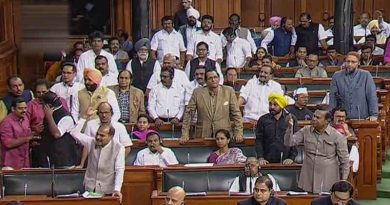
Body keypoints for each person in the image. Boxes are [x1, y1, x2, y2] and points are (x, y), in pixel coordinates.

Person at [284, 109, 350, 193]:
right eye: (314, 116)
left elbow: (345, 161)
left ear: (327, 121)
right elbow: (289, 142)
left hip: (328, 180)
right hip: (308, 179)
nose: (314, 119)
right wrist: (290, 128)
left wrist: (343, 181)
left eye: (318, 117)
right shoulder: (306, 130)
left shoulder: (337, 136)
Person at [180, 70, 243, 142]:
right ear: (206, 81)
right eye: (210, 78)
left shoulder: (228, 91)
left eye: (215, 77)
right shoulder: (197, 92)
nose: (213, 80)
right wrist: (185, 134)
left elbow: (236, 114)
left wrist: (238, 133)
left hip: (224, 134)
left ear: (219, 79)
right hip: (203, 133)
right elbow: (189, 114)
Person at [70, 121, 124, 203]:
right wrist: (84, 118)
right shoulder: (91, 142)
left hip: (107, 191)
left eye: (102, 135)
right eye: (97, 134)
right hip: (89, 189)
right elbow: (74, 133)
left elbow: (119, 170)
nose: (98, 137)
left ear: (111, 136)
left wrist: (117, 189)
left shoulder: (119, 148)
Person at [329, 52, 378, 120]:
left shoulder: (366, 75)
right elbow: (332, 97)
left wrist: (374, 114)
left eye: (353, 62)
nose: (349, 64)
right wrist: (331, 115)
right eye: (348, 61)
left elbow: (371, 96)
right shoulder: (337, 76)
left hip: (362, 117)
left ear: (358, 63)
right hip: (342, 118)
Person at [39, 91, 79, 168]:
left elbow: (57, 134)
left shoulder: (66, 117)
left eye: (43, 104)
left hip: (64, 160)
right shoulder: (51, 114)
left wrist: (49, 117)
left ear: (48, 106)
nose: (42, 107)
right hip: (51, 157)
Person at [256, 93, 297, 165]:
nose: (272, 107)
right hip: (266, 160)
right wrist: (260, 157)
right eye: (270, 104)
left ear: (281, 106)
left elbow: (295, 139)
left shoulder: (291, 118)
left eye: (275, 105)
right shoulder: (263, 119)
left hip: (286, 160)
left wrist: (291, 158)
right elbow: (259, 140)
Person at [0, 98, 40, 169]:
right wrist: (27, 138)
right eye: (20, 108)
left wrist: (32, 141)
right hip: (11, 164)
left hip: (25, 163)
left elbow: (26, 137)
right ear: (13, 109)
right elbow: (8, 143)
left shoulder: (25, 119)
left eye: (25, 108)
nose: (24, 111)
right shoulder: (6, 123)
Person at [331, 107, 359, 173]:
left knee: (354, 148)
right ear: (333, 117)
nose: (341, 119)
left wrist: (346, 131)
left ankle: (350, 170)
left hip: (346, 154)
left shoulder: (348, 128)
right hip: (331, 154)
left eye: (343, 117)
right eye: (338, 116)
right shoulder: (328, 127)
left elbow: (354, 141)